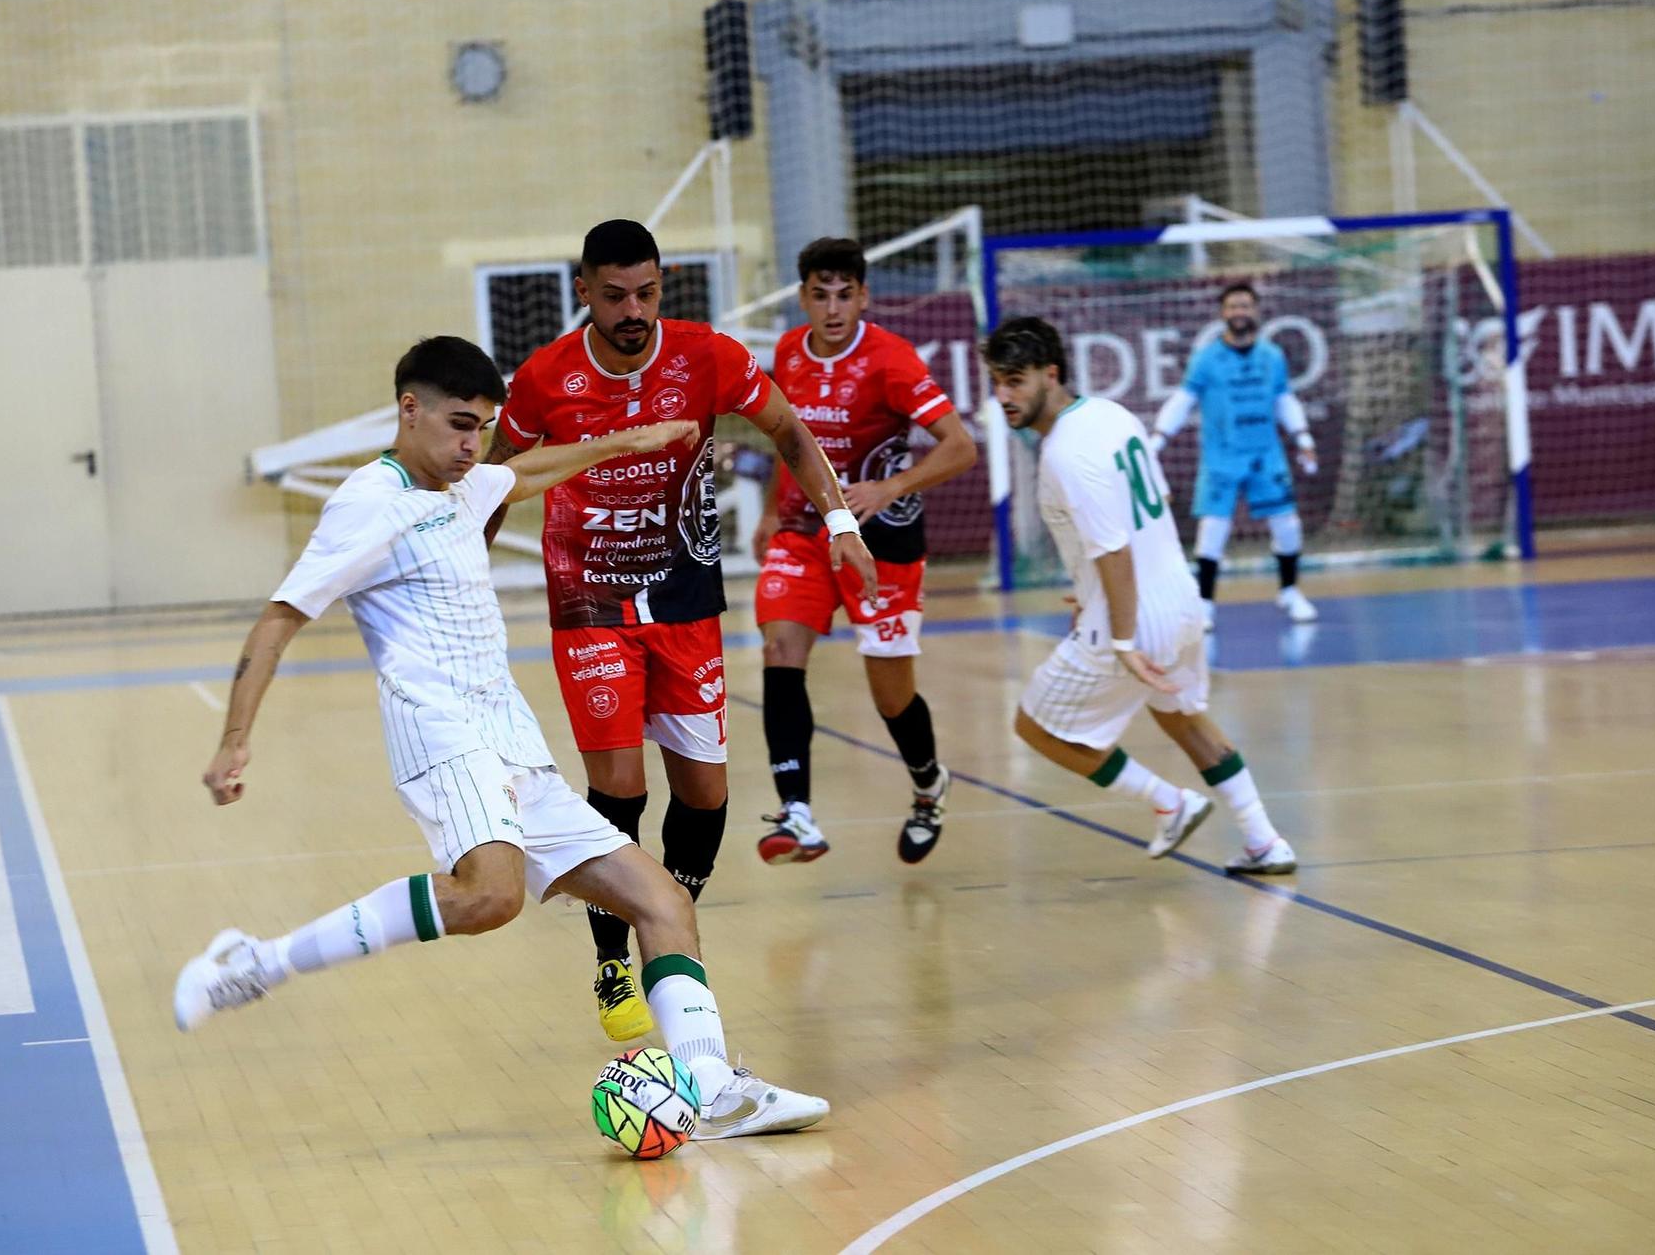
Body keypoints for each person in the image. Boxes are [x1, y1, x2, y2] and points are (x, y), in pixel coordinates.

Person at [174, 336, 829, 1141]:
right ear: (407, 409)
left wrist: (636, 437)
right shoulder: (366, 504)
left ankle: (713, 1086)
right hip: (440, 734)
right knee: (491, 894)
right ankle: (255, 964)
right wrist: (235, 737)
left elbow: (537, 467)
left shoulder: (467, 481)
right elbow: (280, 619)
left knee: (661, 902)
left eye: (482, 427)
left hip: (511, 741)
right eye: (456, 425)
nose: (470, 446)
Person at [482, 220, 876, 1042]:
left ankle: (670, 923)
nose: (635, 310)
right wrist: (460, 583)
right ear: (583, 290)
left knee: (704, 793)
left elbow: (790, 433)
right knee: (621, 784)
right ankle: (612, 958)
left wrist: (842, 519)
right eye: (617, 294)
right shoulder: (543, 378)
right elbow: (490, 484)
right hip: (589, 598)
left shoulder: (709, 356)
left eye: (649, 293)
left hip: (686, 595)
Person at [983, 317, 1298, 875]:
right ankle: (1264, 841)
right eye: (997, 382)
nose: (1003, 396)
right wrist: (1087, 592)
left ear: (1050, 374)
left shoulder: (1063, 453)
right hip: (1180, 599)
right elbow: (1155, 500)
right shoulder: (1112, 413)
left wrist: (1122, 636)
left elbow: (1114, 551)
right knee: (1185, 718)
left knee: (1035, 726)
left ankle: (1169, 801)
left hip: (1130, 617)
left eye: (1015, 381)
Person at [750, 237, 979, 865]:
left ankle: (929, 785)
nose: (831, 308)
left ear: (863, 298)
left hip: (885, 539)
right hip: (807, 528)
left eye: (843, 295)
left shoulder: (892, 360)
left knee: (891, 696)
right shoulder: (789, 352)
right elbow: (789, 436)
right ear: (802, 298)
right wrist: (773, 508)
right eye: (819, 295)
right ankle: (796, 814)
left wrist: (890, 486)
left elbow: (960, 446)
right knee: (779, 647)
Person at [1151, 282, 1320, 626]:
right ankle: (1205, 604)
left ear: (1256, 311)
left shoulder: (1272, 356)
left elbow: (1283, 399)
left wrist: (1303, 438)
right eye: (1233, 306)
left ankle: (1289, 592)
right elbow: (1184, 400)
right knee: (1212, 531)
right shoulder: (1206, 359)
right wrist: (1157, 439)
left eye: (1245, 306)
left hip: (1266, 455)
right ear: (1223, 313)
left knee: (1288, 525)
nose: (1239, 312)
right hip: (1222, 458)